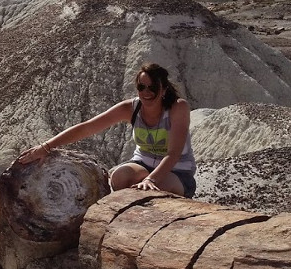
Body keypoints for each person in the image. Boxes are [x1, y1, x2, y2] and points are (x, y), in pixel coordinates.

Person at [16, 62, 197, 198]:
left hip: (177, 171)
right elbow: (87, 128)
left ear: (164, 89)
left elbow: (173, 154)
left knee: (155, 190)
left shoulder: (177, 108)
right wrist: (46, 147)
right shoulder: (130, 109)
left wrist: (151, 180)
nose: (146, 92)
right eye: (142, 87)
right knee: (119, 177)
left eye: (153, 87)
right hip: (143, 164)